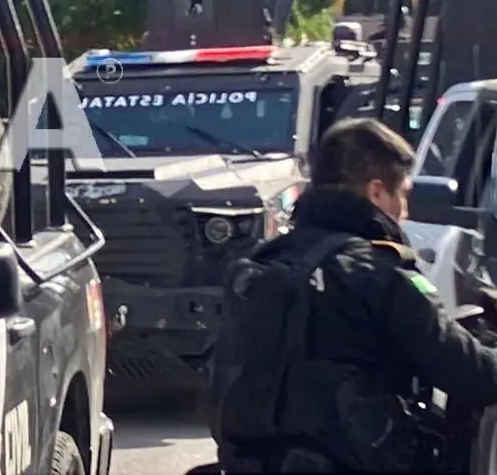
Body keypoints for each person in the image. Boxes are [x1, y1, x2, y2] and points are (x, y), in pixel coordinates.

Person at [208, 117, 497, 473]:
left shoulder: (264, 263)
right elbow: (471, 374)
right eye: (403, 194)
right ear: (377, 192)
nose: (405, 212)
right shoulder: (376, 271)